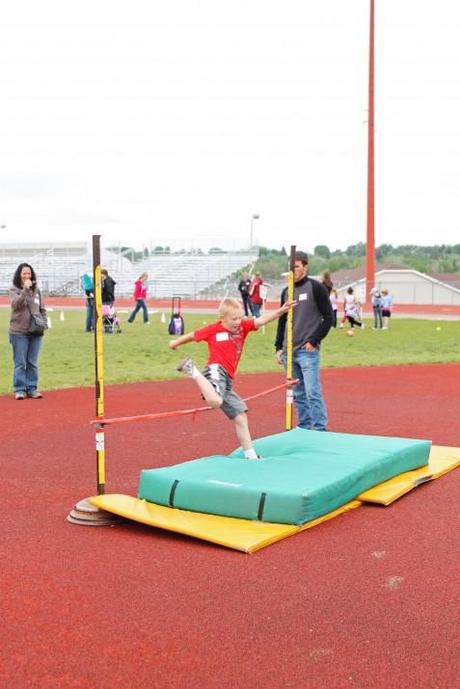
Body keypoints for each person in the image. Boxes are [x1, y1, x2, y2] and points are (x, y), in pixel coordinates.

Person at [170, 296, 295, 459]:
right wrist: (176, 342)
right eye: (233, 319)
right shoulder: (213, 329)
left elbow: (261, 320)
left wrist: (281, 310)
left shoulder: (243, 327)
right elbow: (193, 335)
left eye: (239, 317)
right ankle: (191, 369)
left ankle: (251, 457)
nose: (238, 322)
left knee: (240, 415)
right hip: (216, 370)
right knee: (215, 401)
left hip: (227, 379)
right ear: (222, 319)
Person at [275, 251, 333, 432]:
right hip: (288, 351)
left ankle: (320, 429)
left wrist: (314, 341)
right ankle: (305, 427)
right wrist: (278, 347)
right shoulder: (287, 291)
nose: (293, 271)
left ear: (305, 267)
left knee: (312, 392)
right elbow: (282, 320)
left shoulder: (315, 287)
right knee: (298, 393)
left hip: (307, 351)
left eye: (296, 267)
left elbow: (328, 317)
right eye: (290, 268)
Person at [8, 263, 47, 400]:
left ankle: (32, 388)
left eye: (29, 273)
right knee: (20, 362)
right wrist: (25, 289)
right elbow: (16, 305)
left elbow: (42, 309)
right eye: (24, 273)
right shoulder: (14, 290)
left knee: (32, 362)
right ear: (19, 275)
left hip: (35, 331)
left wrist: (44, 323)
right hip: (18, 332)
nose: (27, 276)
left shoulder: (37, 291)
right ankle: (19, 389)